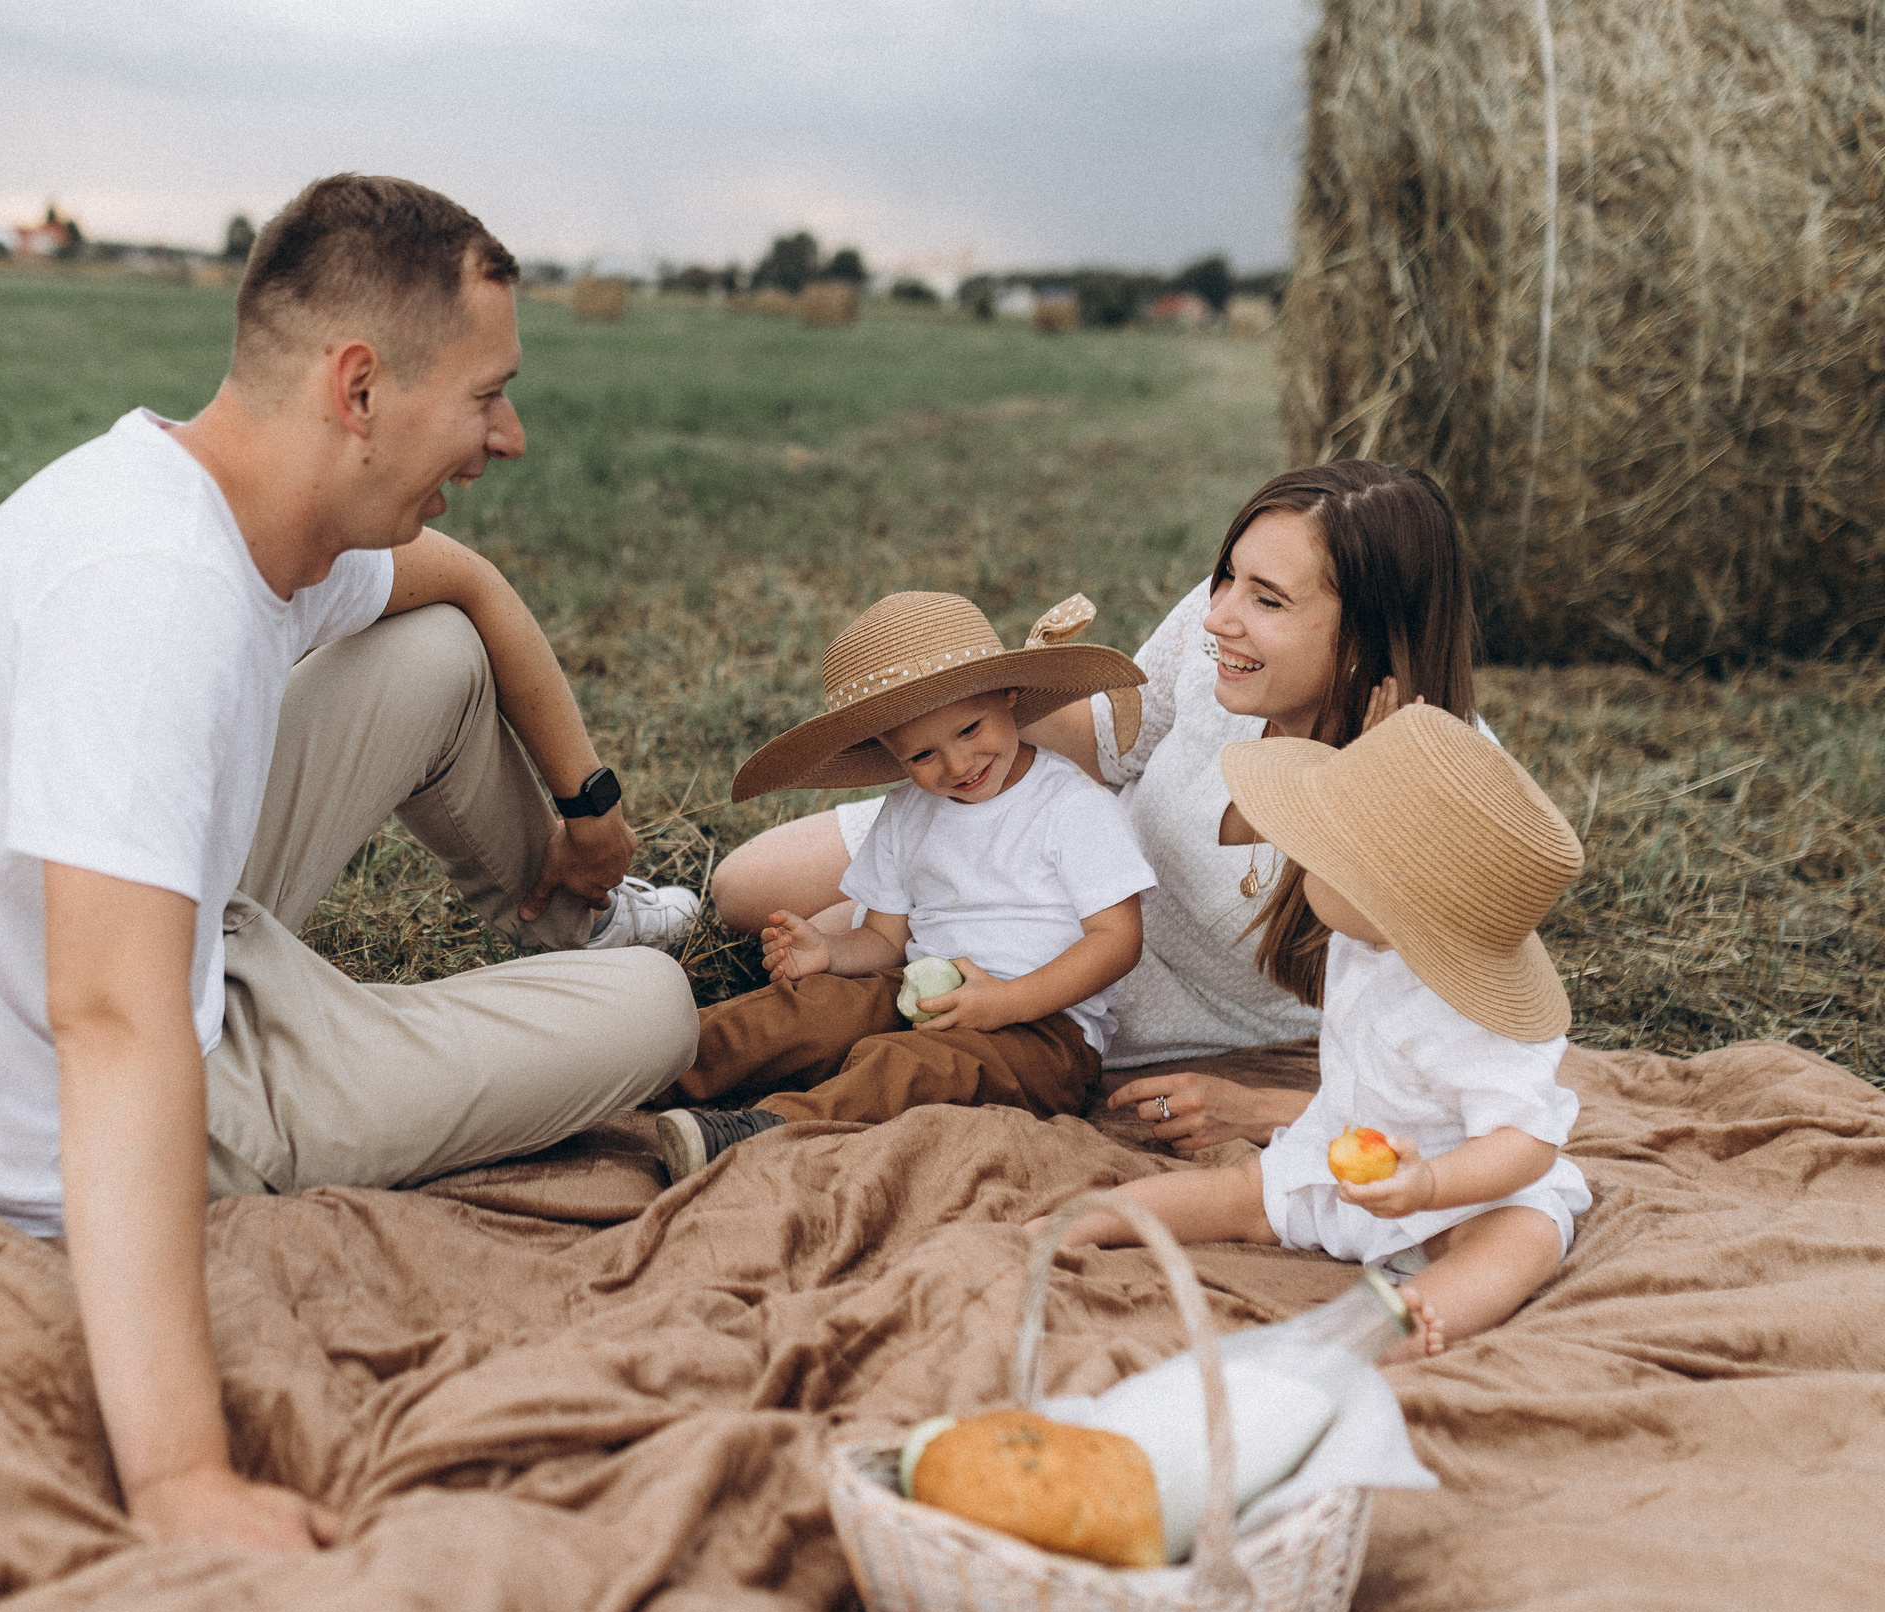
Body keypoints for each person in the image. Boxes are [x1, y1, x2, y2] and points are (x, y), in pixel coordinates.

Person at [0, 175, 703, 1557]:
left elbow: (468, 588)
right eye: (485, 395)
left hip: (31, 962)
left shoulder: (200, 493)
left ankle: (575, 917)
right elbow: (110, 1026)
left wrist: (586, 809)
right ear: (358, 388)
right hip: (30, 1099)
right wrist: (179, 1481)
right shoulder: (153, 598)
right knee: (657, 1015)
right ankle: (597, 971)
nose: (507, 437)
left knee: (431, 654)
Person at [705, 461, 1480, 1152]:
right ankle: (665, 985)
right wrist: (972, 706)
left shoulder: (1451, 799)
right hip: (1064, 835)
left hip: (1124, 978)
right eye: (1227, 579)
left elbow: (1452, 1067)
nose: (1217, 617)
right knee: (749, 889)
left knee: (880, 993)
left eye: (1267, 600)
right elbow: (1112, 744)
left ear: (1368, 636)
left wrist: (1262, 1110)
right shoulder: (1219, 636)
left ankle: (763, 1121)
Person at [1037, 704, 1591, 1360]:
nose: (1299, 857)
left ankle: (1410, 1321)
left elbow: (1525, 1142)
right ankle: (1095, 1219)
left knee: (1519, 1241)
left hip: (1468, 1192)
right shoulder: (1365, 937)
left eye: (1321, 852)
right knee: (1240, 1192)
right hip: (1348, 1155)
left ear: (1386, 893)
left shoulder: (1476, 1018)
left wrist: (1431, 1187)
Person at [651, 592, 1153, 1172]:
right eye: (922, 755)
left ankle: (764, 1130)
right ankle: (643, 1067)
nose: (958, 765)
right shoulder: (909, 810)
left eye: (970, 729)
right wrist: (831, 951)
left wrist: (1006, 1002)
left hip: (1044, 1033)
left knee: (908, 1067)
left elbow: (1118, 940)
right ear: (888, 752)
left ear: (1009, 696)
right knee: (805, 1010)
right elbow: (887, 940)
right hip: (915, 989)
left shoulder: (1072, 807)